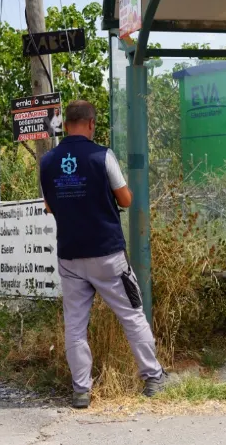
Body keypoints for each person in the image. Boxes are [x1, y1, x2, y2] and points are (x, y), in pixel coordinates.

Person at [39, 100, 168, 408]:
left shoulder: (47, 161)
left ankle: (81, 391)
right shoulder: (102, 155)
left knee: (75, 325)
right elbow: (125, 199)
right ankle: (153, 377)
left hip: (70, 256)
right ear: (91, 124)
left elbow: (49, 207)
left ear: (65, 124)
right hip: (107, 254)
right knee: (131, 314)